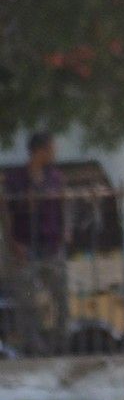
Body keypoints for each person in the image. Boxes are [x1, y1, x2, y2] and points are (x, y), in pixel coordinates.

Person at [2, 132, 70, 355]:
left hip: (51, 245)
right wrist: (13, 242)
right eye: (51, 149)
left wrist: (65, 232)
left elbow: (63, 206)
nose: (54, 153)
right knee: (28, 300)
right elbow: (7, 213)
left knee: (60, 297)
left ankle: (60, 345)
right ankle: (33, 347)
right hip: (25, 245)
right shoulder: (15, 180)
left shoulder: (56, 178)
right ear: (40, 151)